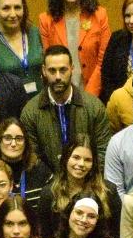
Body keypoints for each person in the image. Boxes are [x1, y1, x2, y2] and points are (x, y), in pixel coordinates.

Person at [20, 45, 112, 176]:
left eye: (63, 70)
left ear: (72, 69)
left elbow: (103, 150)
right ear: (44, 71)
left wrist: (86, 180)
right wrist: (53, 184)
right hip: (48, 186)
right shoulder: (30, 111)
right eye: (52, 71)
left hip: (87, 181)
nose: (58, 77)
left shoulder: (94, 107)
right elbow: (31, 155)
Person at [37, 0, 109, 96]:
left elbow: (102, 61)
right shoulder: (46, 20)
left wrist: (89, 96)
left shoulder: (99, 15)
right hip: (60, 90)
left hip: (93, 91)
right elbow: (47, 61)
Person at [44, 139, 120, 238]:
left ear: (94, 164)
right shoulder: (49, 193)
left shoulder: (109, 191)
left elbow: (116, 233)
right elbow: (45, 237)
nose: (81, 164)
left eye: (88, 160)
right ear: (66, 158)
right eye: (76, 157)